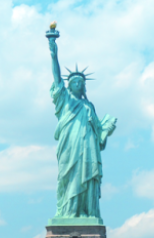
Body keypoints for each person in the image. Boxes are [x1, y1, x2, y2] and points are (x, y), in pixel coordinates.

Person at [47, 33, 116, 220]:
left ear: (84, 86)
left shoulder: (89, 106)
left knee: (86, 176)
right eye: (74, 82)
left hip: (88, 149)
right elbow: (56, 77)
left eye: (81, 82)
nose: (77, 83)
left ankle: (86, 211)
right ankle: (69, 212)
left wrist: (106, 129)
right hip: (69, 147)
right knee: (68, 177)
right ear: (69, 85)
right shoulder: (65, 100)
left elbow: (99, 134)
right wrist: (53, 52)